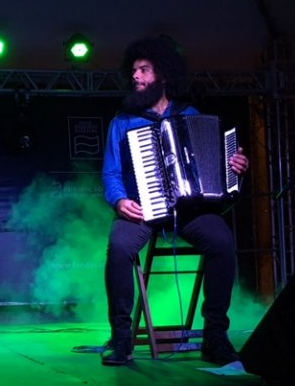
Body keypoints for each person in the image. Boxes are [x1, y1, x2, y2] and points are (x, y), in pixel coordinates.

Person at [101, 36, 249, 366]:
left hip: (188, 209)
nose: (136, 77)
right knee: (120, 249)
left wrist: (235, 166)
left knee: (222, 242)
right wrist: (120, 200)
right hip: (140, 209)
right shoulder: (123, 121)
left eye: (144, 70)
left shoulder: (190, 114)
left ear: (163, 75)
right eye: (134, 71)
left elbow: (213, 167)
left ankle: (215, 336)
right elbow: (111, 173)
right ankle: (121, 339)